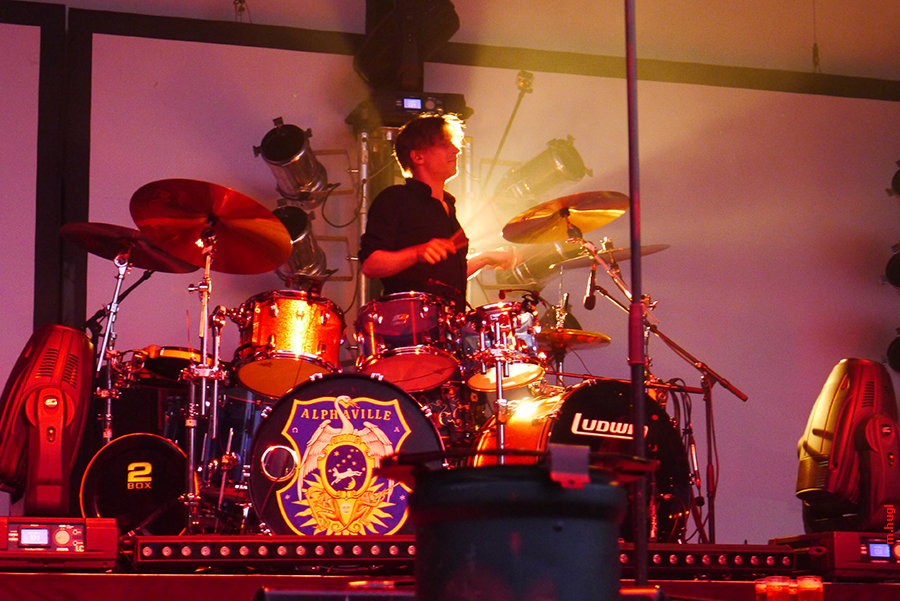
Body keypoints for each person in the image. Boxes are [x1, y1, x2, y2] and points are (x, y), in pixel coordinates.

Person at [359, 113, 517, 311]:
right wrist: (416, 252)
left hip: (449, 323)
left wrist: (486, 258)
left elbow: (448, 278)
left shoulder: (448, 206)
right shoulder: (395, 198)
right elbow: (370, 265)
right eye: (444, 144)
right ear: (418, 157)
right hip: (409, 323)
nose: (456, 150)